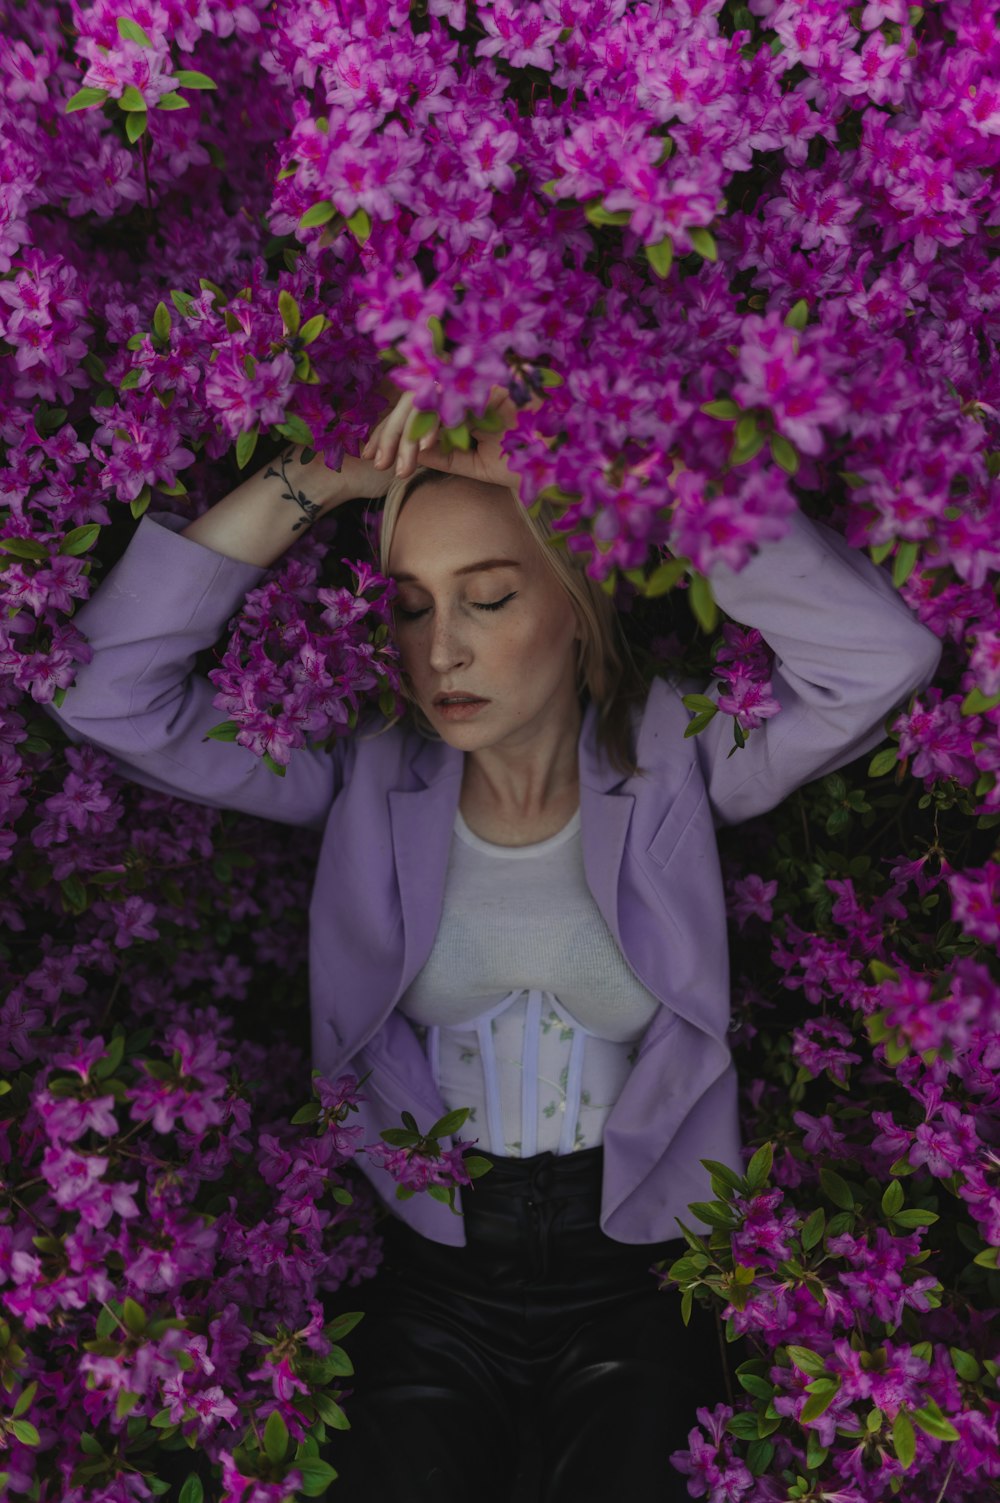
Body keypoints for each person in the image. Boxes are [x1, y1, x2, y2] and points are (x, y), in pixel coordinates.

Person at [48, 388, 941, 1501]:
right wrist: (317, 480)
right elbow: (100, 690)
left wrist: (617, 482)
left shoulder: (683, 760)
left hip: (643, 1269)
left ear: (576, 603)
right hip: (426, 1270)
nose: (444, 650)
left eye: (490, 598)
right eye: (412, 607)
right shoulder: (362, 774)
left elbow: (880, 653)